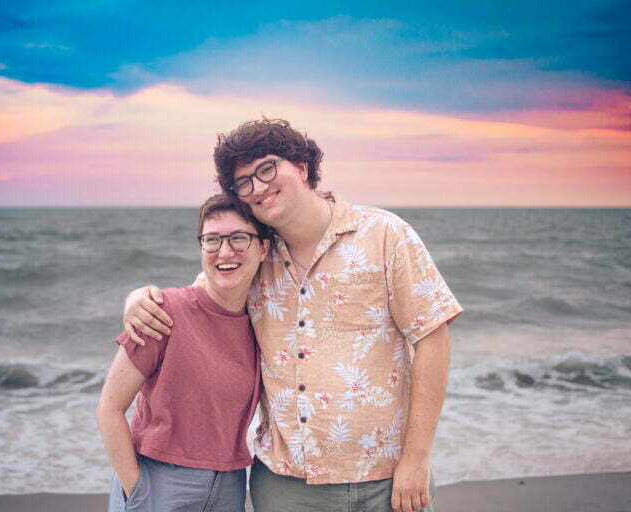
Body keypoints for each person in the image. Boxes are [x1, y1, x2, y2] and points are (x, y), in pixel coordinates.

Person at [122, 119, 463, 512]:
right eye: (244, 182)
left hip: (388, 478)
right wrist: (137, 298)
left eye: (267, 168)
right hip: (287, 486)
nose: (258, 187)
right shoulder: (252, 255)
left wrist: (416, 460)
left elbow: (432, 338)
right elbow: (197, 301)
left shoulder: (384, 234)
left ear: (301, 167)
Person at [96, 193, 271, 512]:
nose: (225, 251)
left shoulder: (263, 320)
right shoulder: (163, 311)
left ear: (263, 248)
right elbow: (109, 408)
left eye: (239, 238)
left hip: (231, 484)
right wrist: (138, 491)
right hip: (160, 482)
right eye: (212, 240)